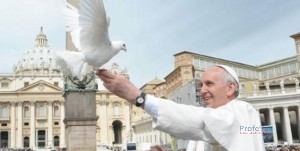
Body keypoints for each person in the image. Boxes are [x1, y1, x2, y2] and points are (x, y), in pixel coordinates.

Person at [96, 65, 265, 151]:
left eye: (209, 84)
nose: (203, 90)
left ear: (230, 88)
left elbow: (200, 121)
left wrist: (139, 98)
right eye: (201, 85)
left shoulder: (243, 112)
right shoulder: (217, 121)